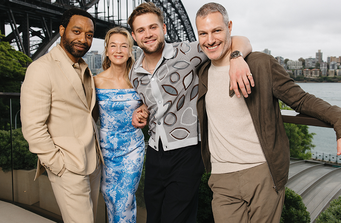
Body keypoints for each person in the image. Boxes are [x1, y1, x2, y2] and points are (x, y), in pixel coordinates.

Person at [195, 3, 341, 223]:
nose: (210, 40)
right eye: (203, 33)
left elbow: (302, 100)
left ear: (229, 27)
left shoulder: (260, 64)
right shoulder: (202, 73)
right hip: (222, 179)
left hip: (262, 174)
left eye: (216, 30)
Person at [127, 2, 253, 223]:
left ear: (164, 29)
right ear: (134, 37)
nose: (148, 34)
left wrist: (237, 58)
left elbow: (239, 40)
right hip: (155, 151)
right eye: (141, 30)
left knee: (177, 218)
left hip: (187, 150)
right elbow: (149, 103)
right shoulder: (134, 74)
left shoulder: (187, 52)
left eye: (153, 27)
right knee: (154, 216)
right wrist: (142, 110)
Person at [21, 8, 103, 223]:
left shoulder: (83, 67)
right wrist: (58, 165)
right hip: (68, 166)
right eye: (76, 31)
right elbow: (32, 127)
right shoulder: (40, 69)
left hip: (93, 162)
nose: (83, 39)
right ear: (62, 30)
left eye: (89, 35)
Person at [94, 26, 148, 223]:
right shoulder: (95, 81)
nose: (118, 50)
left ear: (130, 50)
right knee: (110, 198)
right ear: (107, 50)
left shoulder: (139, 79)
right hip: (106, 149)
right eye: (113, 46)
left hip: (132, 148)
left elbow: (150, 103)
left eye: (124, 46)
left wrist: (144, 109)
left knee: (125, 200)